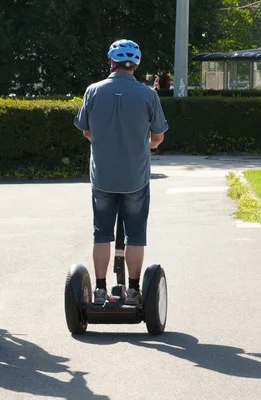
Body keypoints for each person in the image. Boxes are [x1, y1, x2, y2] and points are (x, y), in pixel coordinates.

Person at [73, 39, 169, 305]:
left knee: (101, 233)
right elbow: (158, 136)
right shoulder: (149, 95)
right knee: (135, 235)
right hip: (135, 178)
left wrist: (104, 142)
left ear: (111, 62)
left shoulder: (93, 91)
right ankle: (135, 290)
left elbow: (86, 130)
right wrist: (147, 145)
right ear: (136, 65)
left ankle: (101, 288)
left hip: (102, 177)